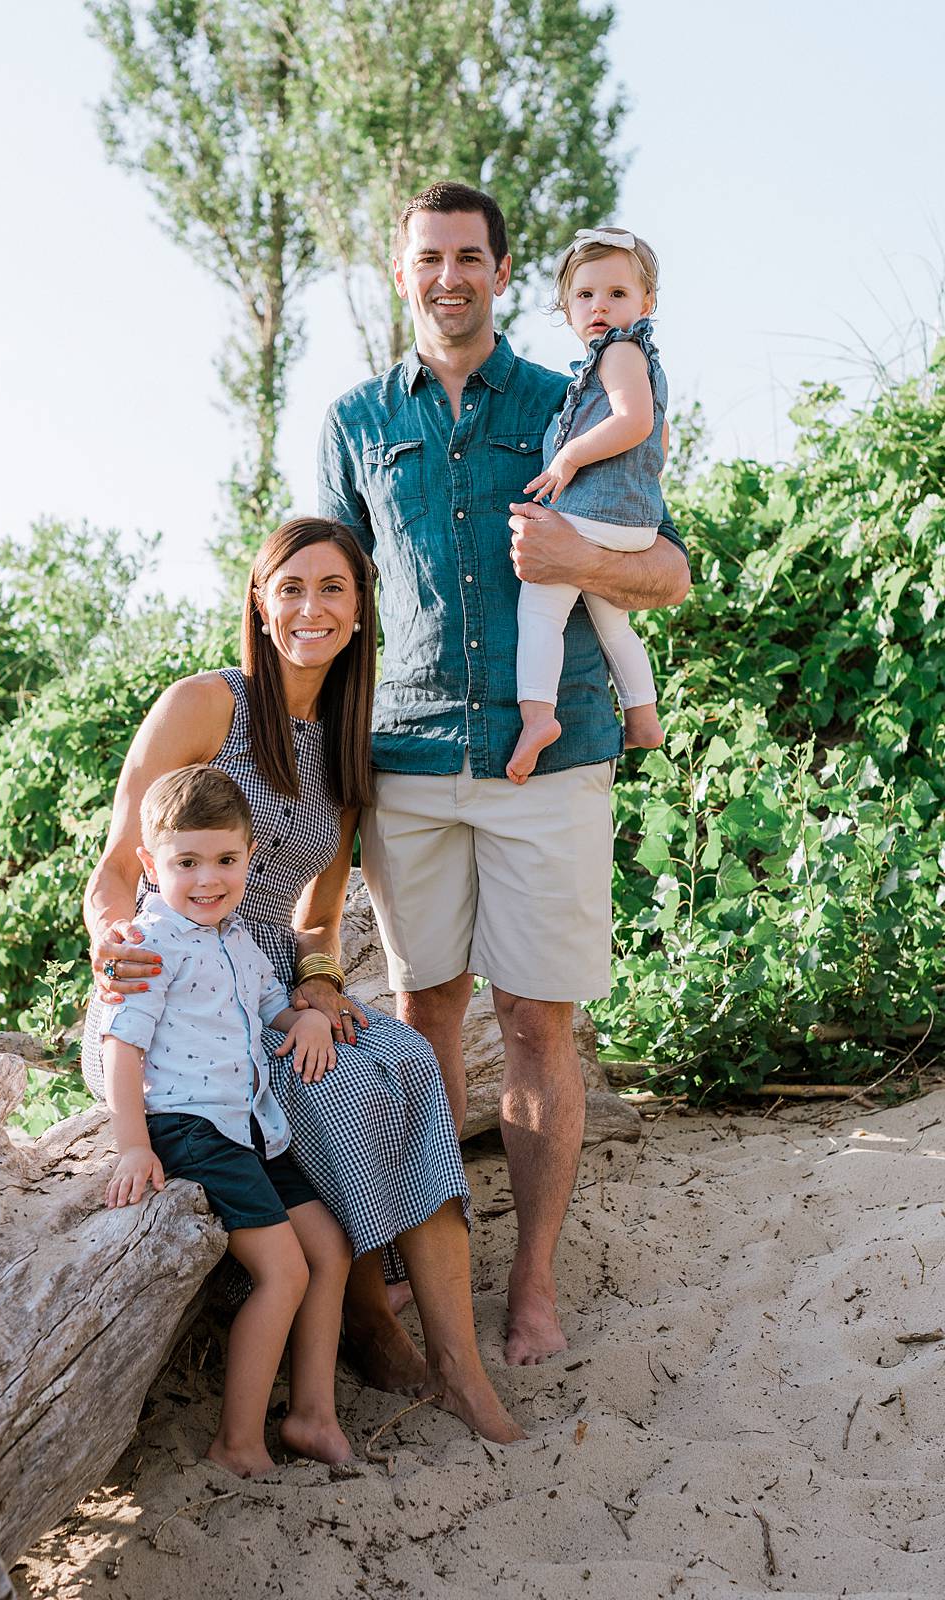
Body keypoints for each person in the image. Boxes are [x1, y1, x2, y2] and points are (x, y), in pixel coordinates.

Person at [317, 181, 691, 1365]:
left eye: (470, 256)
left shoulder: (572, 395)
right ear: (401, 271)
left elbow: (669, 571)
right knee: (423, 1017)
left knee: (537, 1025)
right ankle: (440, 1266)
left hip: (555, 755)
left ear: (502, 269)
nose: (449, 277)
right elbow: (327, 601)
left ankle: (530, 1284)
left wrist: (580, 553)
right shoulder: (356, 420)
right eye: (428, 257)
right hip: (410, 760)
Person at [82, 515, 523, 1443]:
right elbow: (117, 864)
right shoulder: (206, 706)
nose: (310, 608)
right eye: (291, 587)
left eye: (333, 589)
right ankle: (364, 1320)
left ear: (361, 612)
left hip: (270, 986)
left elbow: (316, 918)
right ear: (259, 599)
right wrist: (112, 939)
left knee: (402, 1060)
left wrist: (319, 992)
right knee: (333, 1093)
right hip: (175, 1006)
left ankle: (458, 1361)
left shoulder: (346, 745)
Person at [94, 763, 352, 1476]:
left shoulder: (235, 936)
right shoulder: (149, 945)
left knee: (329, 1247)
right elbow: (123, 1046)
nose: (208, 879)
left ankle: (311, 1414)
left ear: (250, 857)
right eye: (186, 863)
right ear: (150, 864)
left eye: (226, 860)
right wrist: (131, 1147)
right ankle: (237, 1442)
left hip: (250, 1124)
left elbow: (270, 1003)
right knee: (284, 1273)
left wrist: (305, 1021)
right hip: (189, 1128)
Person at [510, 225, 668, 781]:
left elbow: (635, 421)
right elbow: (659, 440)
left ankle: (537, 717)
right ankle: (643, 717)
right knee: (613, 625)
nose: (599, 306)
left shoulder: (620, 352)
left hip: (593, 516)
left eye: (617, 295)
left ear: (646, 303)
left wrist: (570, 457)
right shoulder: (640, 359)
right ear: (566, 305)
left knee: (539, 613)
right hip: (630, 521)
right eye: (585, 295)